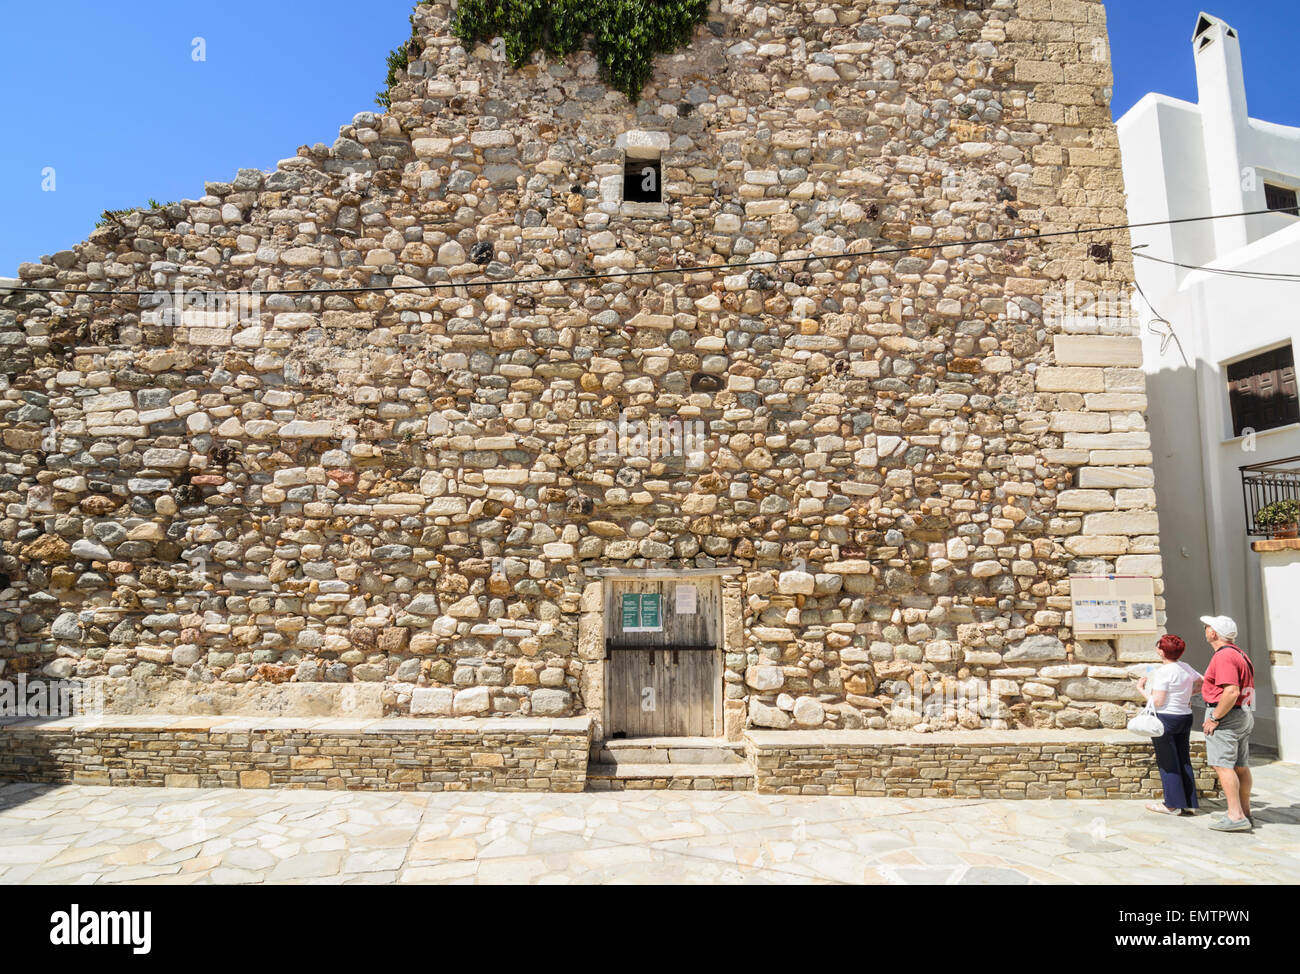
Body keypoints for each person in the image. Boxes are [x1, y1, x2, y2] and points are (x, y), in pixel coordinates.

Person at [1199, 615, 1257, 832]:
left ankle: (1235, 816)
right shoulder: (1239, 653)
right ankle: (1244, 811)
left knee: (1223, 765)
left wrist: (1214, 718)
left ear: (1213, 633)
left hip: (1226, 715)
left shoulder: (1223, 657)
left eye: (1207, 627)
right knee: (1240, 765)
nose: (1205, 629)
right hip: (1243, 713)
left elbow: (1231, 690)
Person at [1135, 635, 1203, 816]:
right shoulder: (1186, 667)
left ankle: (1172, 804)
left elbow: (1157, 702)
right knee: (1183, 759)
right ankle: (1189, 803)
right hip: (1184, 717)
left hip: (1166, 718)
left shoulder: (1163, 672)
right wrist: (1188, 694)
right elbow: (1203, 682)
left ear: (1161, 651)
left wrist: (1141, 689)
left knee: (1168, 762)